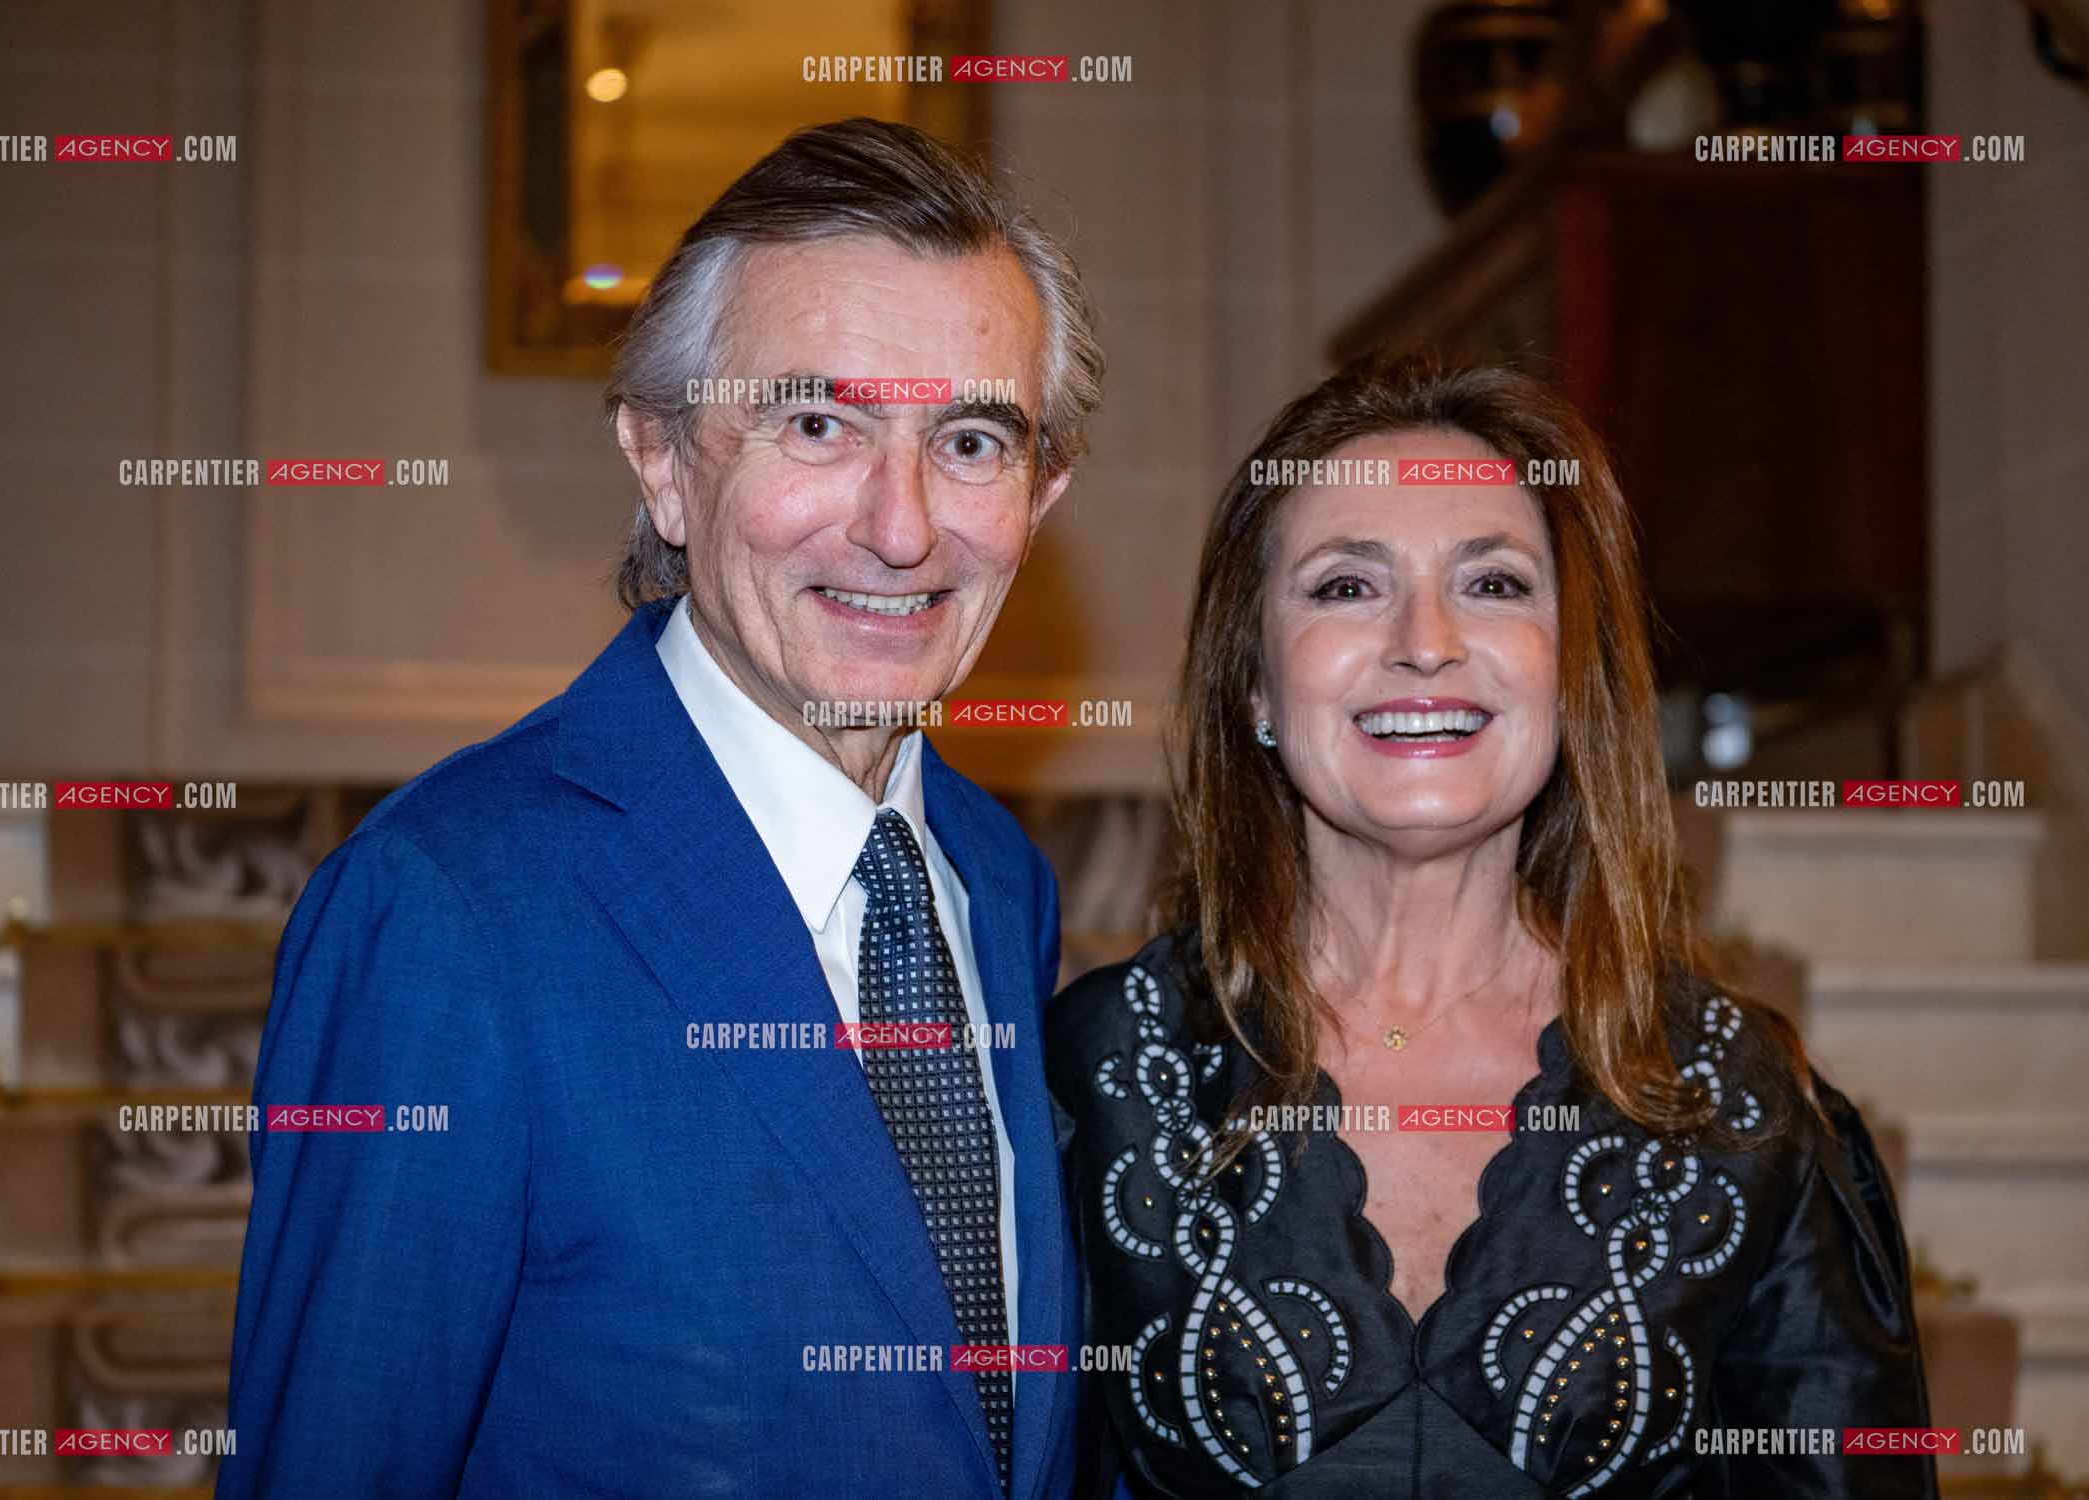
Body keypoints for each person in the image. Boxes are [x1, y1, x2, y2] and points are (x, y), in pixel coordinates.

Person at [217, 117, 1103, 1498]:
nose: (902, 525)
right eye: (817, 423)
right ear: (663, 461)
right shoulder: (446, 912)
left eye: (971, 439)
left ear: (1039, 495)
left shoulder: (995, 881)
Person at [1049, 356, 1933, 1498]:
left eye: (1495, 585)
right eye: (1345, 587)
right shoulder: (1102, 1072)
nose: (1427, 640)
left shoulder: (1735, 1103)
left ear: (1567, 677)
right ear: (1255, 686)